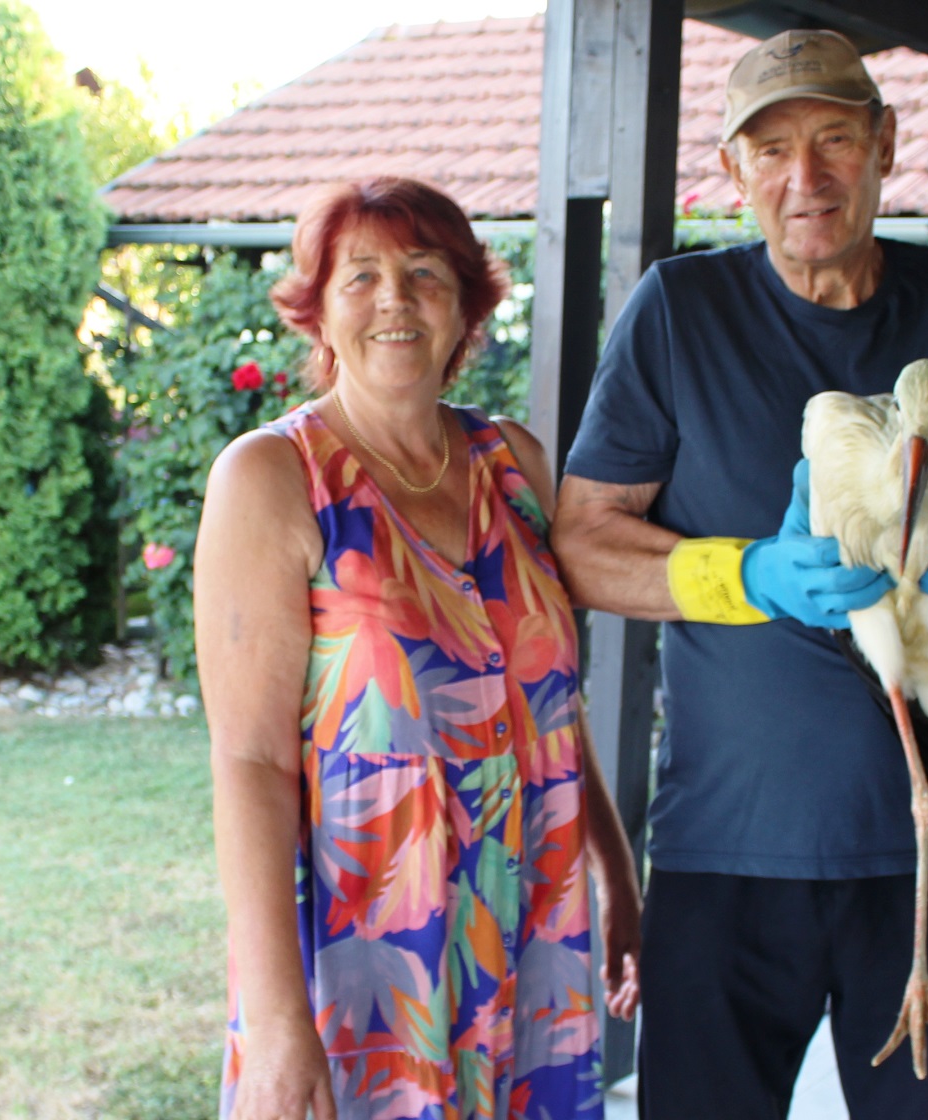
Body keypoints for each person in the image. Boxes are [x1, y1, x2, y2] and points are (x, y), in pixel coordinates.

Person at [551, 29, 928, 1120]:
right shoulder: (680, 314)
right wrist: (750, 575)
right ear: (732, 172)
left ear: (886, 146)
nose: (803, 178)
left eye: (834, 139)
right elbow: (581, 544)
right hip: (725, 853)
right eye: (770, 150)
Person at [196, 176, 642, 1120]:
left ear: (467, 305)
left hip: (534, 942)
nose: (394, 299)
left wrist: (615, 866)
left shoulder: (513, 461)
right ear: (317, 308)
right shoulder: (273, 477)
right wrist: (279, 1022)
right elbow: (249, 759)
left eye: (424, 272)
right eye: (359, 276)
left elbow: (550, 698)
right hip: (374, 965)